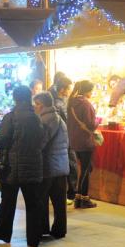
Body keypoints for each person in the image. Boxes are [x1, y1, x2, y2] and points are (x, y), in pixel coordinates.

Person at [0, 86, 46, 247]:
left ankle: (3, 233)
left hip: (11, 166)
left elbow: (0, 140)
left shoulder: (11, 117)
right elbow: (42, 139)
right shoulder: (36, 118)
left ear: (15, 98)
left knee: (8, 202)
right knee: (33, 204)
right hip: (33, 164)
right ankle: (34, 239)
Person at [35, 91, 69, 240]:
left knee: (42, 199)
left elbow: (41, 143)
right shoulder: (59, 118)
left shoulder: (45, 120)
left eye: (35, 104)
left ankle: (42, 228)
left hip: (48, 166)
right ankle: (60, 229)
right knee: (59, 201)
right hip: (61, 165)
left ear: (40, 105)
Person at [66, 80, 99, 209]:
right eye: (91, 90)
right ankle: (84, 198)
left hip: (74, 140)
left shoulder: (71, 102)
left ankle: (79, 198)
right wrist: (98, 120)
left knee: (83, 168)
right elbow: (91, 124)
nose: (92, 93)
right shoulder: (85, 104)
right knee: (86, 169)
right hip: (85, 140)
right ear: (87, 91)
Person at [49, 73, 77, 202]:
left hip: (62, 139)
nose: (69, 92)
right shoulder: (57, 103)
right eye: (68, 89)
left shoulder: (57, 99)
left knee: (67, 164)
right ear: (62, 89)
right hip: (64, 138)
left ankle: (68, 193)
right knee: (70, 164)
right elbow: (66, 121)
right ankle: (71, 193)